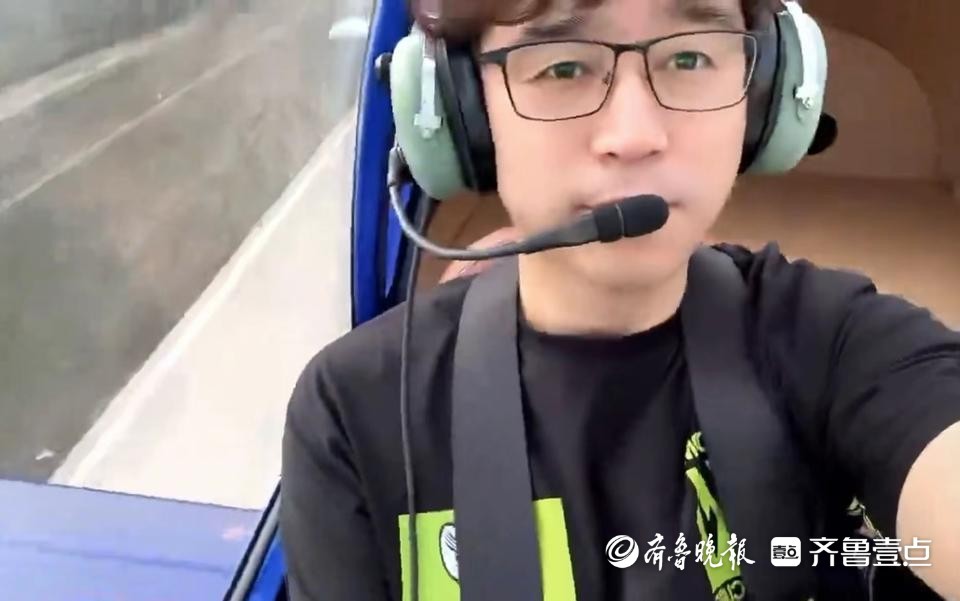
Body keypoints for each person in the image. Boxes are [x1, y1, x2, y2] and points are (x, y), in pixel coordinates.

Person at [279, 0, 960, 599]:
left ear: (766, 95)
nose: (635, 136)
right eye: (563, 67)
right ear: (463, 110)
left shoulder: (835, 341)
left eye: (689, 58)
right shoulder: (354, 412)